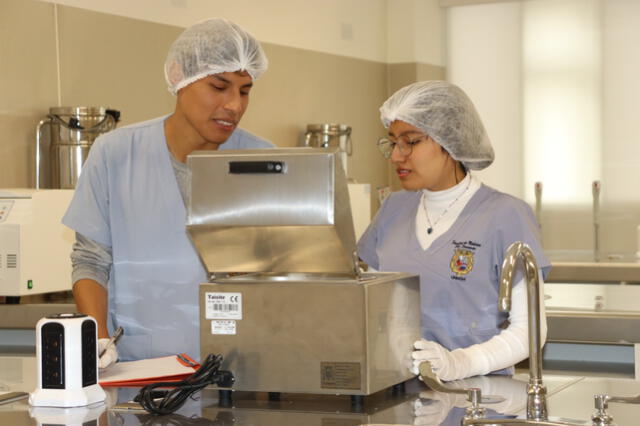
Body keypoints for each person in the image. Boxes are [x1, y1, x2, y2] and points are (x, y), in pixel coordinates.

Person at [62, 18, 273, 368]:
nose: (234, 105)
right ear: (179, 77)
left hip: (237, 370)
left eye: (245, 90)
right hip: (135, 368)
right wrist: (98, 339)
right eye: (219, 87)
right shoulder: (115, 153)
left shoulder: (265, 161)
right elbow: (90, 260)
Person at [357, 81, 549, 381]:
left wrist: (460, 363)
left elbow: (530, 330)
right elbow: (368, 311)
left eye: (411, 141)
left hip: (480, 399)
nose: (396, 155)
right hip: (397, 393)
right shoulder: (393, 210)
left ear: (451, 140)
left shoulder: (505, 215)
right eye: (392, 142)